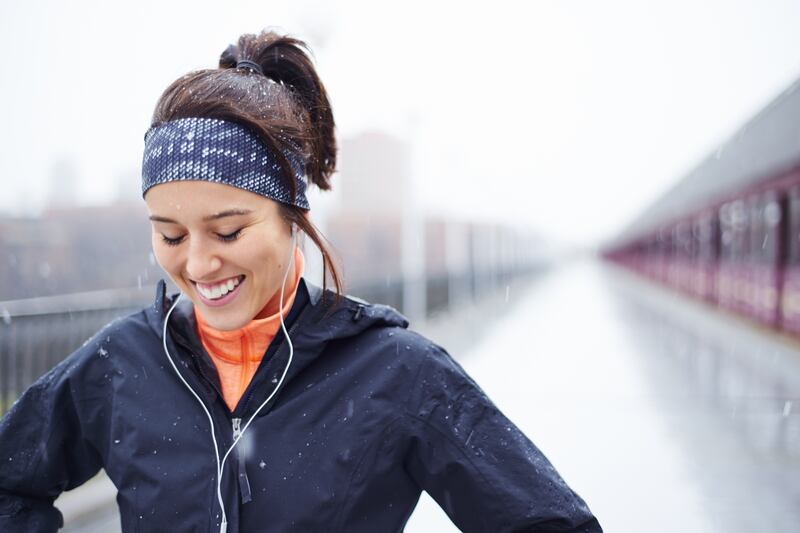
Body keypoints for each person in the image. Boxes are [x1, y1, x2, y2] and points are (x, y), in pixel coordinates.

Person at [0, 30, 602, 533]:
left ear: (294, 217)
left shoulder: (397, 373)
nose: (200, 265)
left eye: (229, 231)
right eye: (172, 236)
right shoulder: (120, 364)